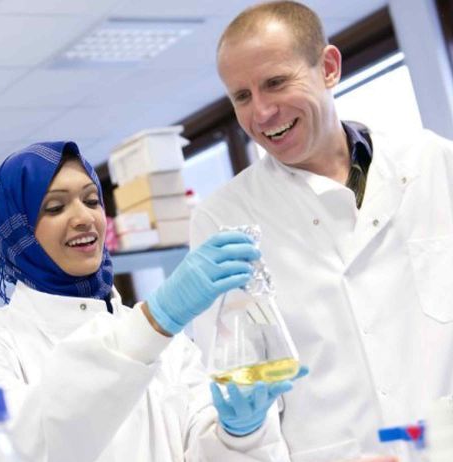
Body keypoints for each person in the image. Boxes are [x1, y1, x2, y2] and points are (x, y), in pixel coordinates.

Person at [190, 1, 453, 461]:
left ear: (328, 67)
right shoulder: (223, 220)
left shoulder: (436, 164)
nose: (263, 112)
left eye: (275, 82)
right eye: (242, 96)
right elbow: (248, 409)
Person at [0, 141, 304, 462]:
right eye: (54, 208)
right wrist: (155, 319)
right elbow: (26, 447)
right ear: (17, 230)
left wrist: (240, 435)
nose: (84, 218)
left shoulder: (170, 344)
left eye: (91, 199)